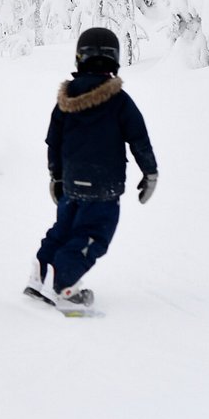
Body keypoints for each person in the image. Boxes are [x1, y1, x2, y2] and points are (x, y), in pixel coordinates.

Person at [25, 26, 158, 314]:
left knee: (64, 229)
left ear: (79, 58)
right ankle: (64, 285)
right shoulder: (120, 101)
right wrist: (150, 173)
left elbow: (54, 141)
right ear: (114, 59)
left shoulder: (66, 100)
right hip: (103, 187)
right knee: (93, 236)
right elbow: (139, 138)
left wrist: (56, 176)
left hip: (72, 183)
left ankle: (41, 273)